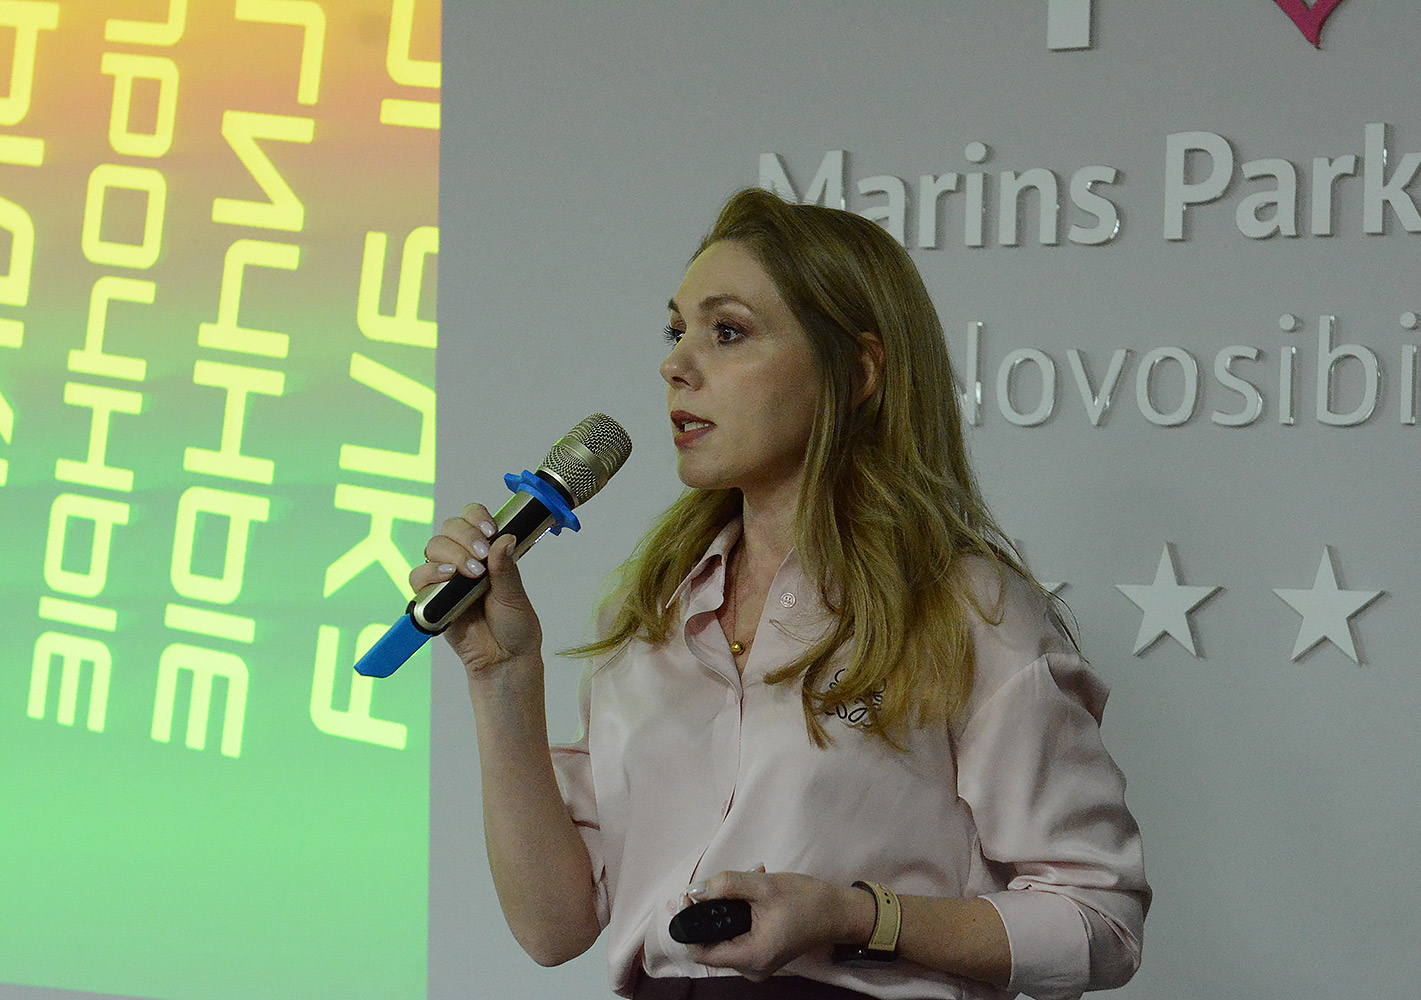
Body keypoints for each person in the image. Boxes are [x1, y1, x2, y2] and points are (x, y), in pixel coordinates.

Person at [411, 189, 1149, 1000]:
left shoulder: (968, 609)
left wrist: (851, 916)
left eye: (727, 332)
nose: (675, 366)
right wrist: (501, 678)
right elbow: (553, 929)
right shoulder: (648, 617)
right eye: (676, 331)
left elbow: (1099, 922)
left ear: (857, 372)